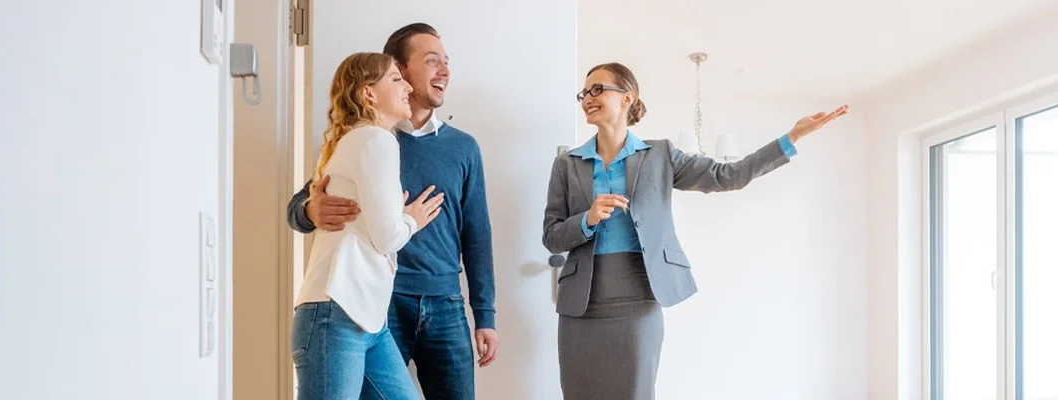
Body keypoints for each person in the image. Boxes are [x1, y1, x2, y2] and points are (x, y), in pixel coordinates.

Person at [542, 62, 848, 400]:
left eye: (597, 89)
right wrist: (588, 218)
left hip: (638, 295)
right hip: (581, 303)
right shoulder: (567, 164)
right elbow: (552, 236)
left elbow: (727, 175)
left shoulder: (660, 155)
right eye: (584, 92)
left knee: (634, 393)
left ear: (627, 97)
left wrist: (790, 138)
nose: (588, 98)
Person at [286, 23, 498, 399]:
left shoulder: (462, 148)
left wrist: (486, 315)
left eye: (446, 62)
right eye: (432, 61)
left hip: (444, 302)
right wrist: (310, 210)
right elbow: (299, 207)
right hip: (378, 303)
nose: (444, 71)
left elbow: (477, 236)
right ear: (399, 70)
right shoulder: (367, 137)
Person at [291, 51, 445, 399]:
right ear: (368, 93)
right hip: (336, 315)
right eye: (395, 78)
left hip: (364, 319)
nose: (407, 86)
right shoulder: (374, 140)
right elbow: (387, 236)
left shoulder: (353, 142)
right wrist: (412, 218)